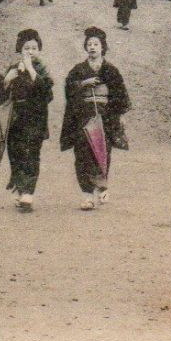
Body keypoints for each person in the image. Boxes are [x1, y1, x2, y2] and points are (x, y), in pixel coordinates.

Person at [60, 27, 130, 210]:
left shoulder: (111, 70)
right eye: (89, 44)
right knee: (82, 153)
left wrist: (120, 114)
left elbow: (120, 93)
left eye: (96, 44)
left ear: (102, 47)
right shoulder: (78, 70)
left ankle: (101, 185)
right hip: (83, 116)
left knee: (103, 151)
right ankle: (87, 195)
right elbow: (68, 89)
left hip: (105, 116)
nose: (92, 47)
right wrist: (83, 83)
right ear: (85, 47)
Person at [0, 28, 53, 212]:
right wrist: (7, 80)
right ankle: (20, 190)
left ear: (39, 50)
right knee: (16, 153)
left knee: (31, 153)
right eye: (26, 48)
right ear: (20, 50)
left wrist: (30, 70)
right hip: (15, 117)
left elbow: (47, 93)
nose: (30, 51)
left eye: (34, 48)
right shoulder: (12, 69)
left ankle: (28, 193)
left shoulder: (42, 69)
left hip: (35, 117)